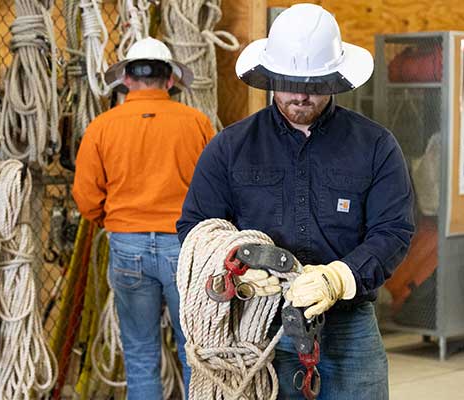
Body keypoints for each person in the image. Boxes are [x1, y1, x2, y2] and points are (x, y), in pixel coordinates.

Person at [176, 4, 414, 399]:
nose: (301, 95)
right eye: (289, 82)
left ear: (335, 80)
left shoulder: (375, 146)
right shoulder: (230, 148)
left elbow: (393, 230)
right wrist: (234, 267)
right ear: (269, 77)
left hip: (349, 328)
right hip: (260, 325)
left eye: (315, 84)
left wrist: (341, 277)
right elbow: (195, 227)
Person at [73, 37, 215, 399]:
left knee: (139, 352)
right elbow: (218, 189)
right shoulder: (197, 124)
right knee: (195, 351)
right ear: (170, 80)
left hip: (127, 246)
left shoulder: (103, 127)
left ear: (127, 80)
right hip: (184, 249)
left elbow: (86, 196)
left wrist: (116, 221)